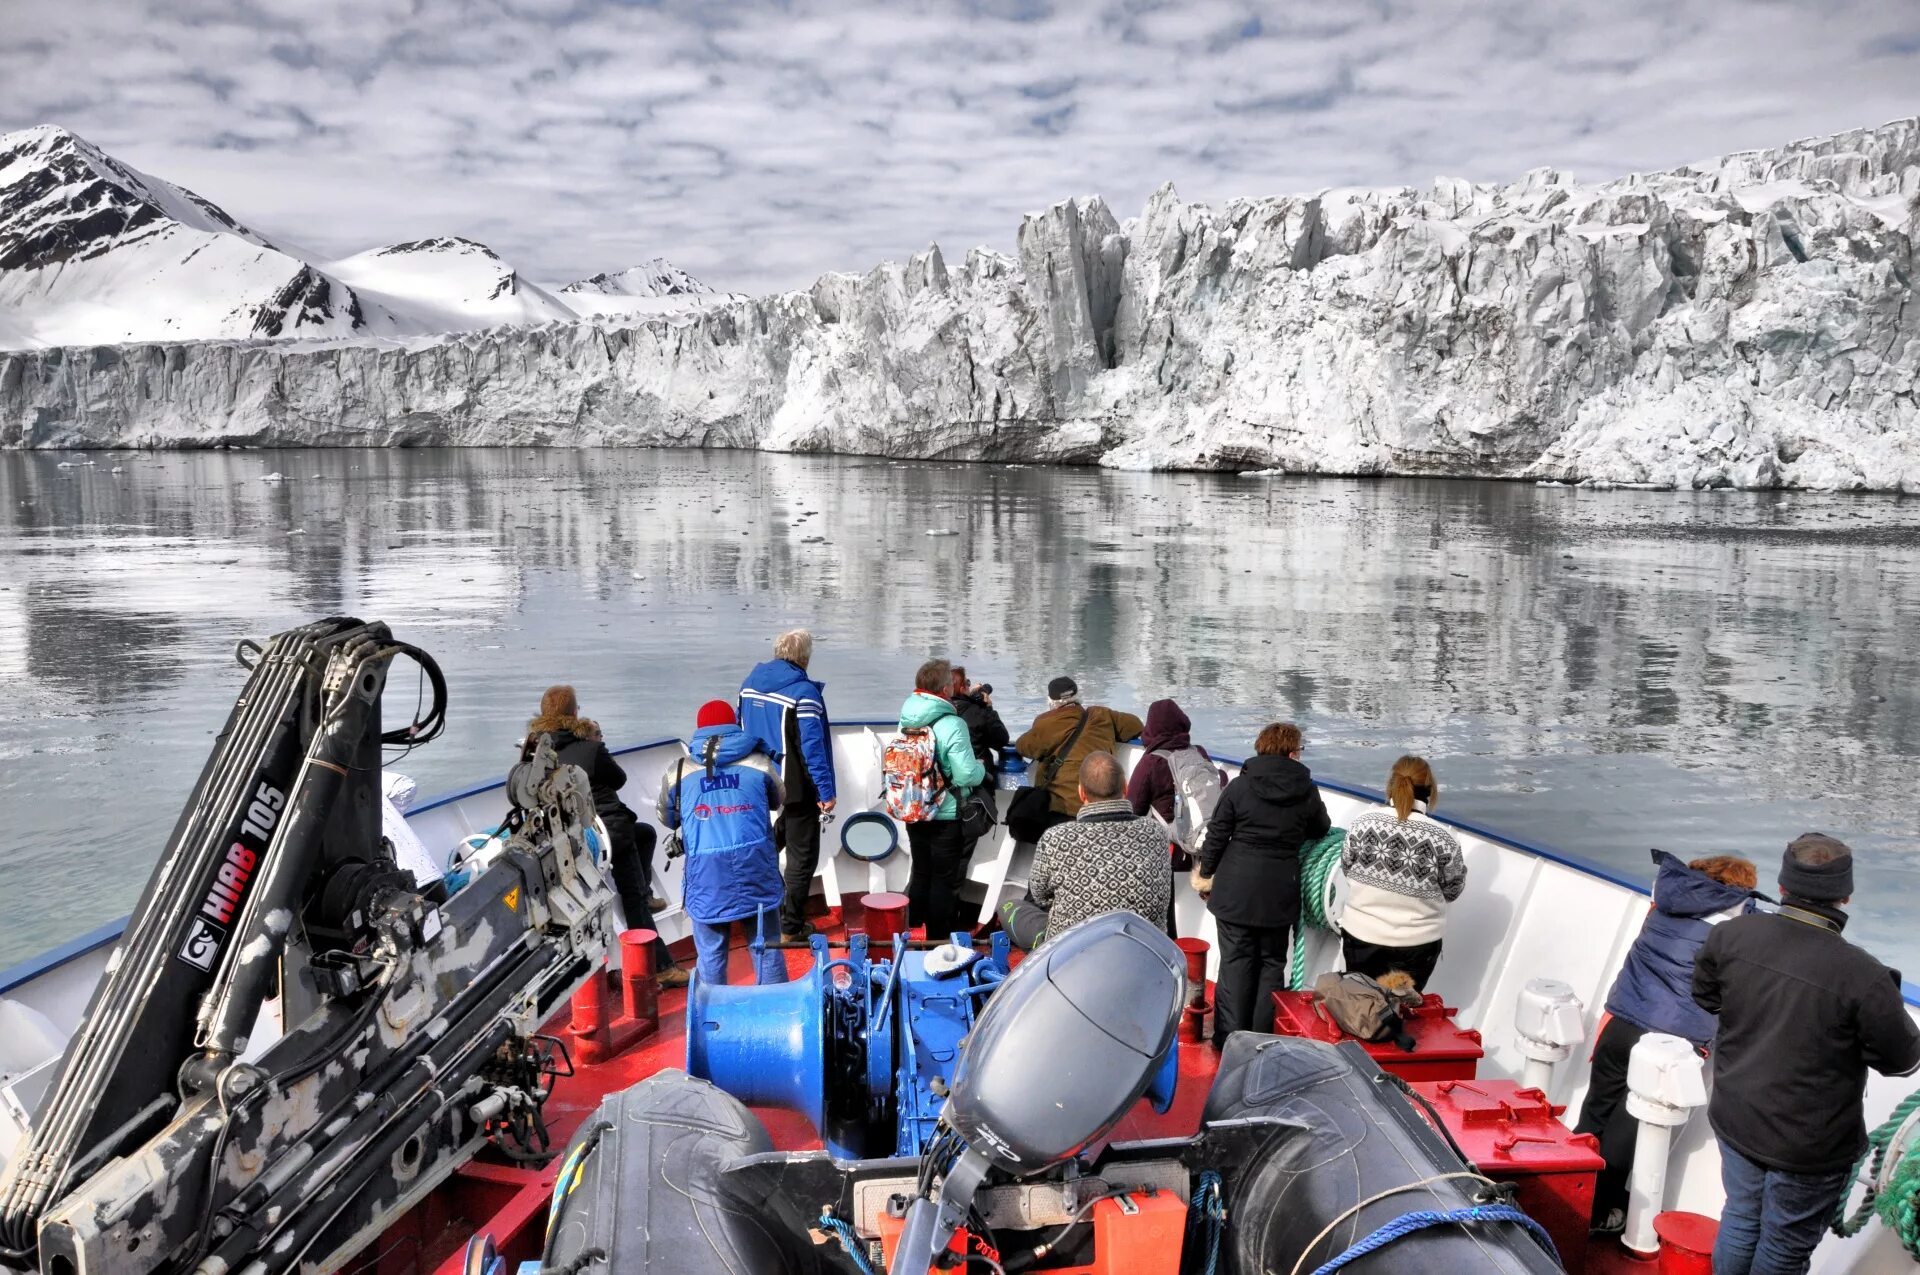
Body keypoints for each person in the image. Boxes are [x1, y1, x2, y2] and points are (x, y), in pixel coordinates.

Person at [1693, 834, 1920, 1275]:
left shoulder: (1731, 936)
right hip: (1807, 1146)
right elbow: (1903, 1061)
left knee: (1740, 1219)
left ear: (1782, 887)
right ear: (1846, 895)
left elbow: (1706, 996)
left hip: (1736, 1116)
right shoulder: (1866, 977)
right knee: (1782, 1247)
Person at [1572, 852, 1757, 1233]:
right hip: (1669, 1042)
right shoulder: (1738, 921)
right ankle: (1597, 1212)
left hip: (1620, 1021)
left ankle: (1564, 1188)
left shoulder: (1666, 898)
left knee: (1595, 1112)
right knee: (1628, 1128)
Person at [523, 686, 685, 988]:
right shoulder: (590, 748)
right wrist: (597, 747)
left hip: (570, 840)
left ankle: (645, 897)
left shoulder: (535, 757)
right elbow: (619, 779)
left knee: (645, 834)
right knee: (633, 896)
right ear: (574, 714)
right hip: (610, 833)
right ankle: (661, 966)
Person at [1193, 723, 1331, 1046]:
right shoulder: (1306, 791)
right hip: (1278, 894)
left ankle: (1228, 1040)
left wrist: (1205, 876)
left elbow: (1216, 837)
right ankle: (1260, 1040)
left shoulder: (1240, 787)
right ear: (1292, 753)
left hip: (1235, 893)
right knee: (1271, 965)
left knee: (1235, 965)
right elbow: (1321, 828)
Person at [655, 700, 788, 987]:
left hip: (706, 873)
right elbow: (779, 799)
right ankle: (776, 1008)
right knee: (766, 946)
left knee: (711, 952)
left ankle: (713, 1013)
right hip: (756, 867)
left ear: (699, 729)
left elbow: (666, 817)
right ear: (735, 726)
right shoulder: (760, 763)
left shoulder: (678, 771)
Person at [999, 752, 1171, 950]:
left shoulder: (1057, 837)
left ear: (1081, 793)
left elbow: (1039, 896)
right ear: (1125, 787)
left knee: (1009, 907)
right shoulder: (1156, 832)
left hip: (1070, 950)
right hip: (1143, 947)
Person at [738, 629, 838, 941]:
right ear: (805, 658)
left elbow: (741, 726)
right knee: (802, 857)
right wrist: (826, 791)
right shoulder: (804, 693)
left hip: (759, 778)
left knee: (773, 838)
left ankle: (761, 897)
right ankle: (791, 926)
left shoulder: (749, 685)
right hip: (796, 787)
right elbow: (812, 747)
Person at [1337, 755, 1467, 991]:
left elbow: (1347, 868)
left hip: (1361, 937)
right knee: (1403, 1010)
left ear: (1391, 785)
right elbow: (1453, 890)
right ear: (1430, 790)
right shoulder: (1444, 838)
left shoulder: (1362, 823)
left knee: (1360, 1008)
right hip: (1416, 945)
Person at [895, 659, 988, 937]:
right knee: (944, 880)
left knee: (921, 872)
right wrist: (981, 767)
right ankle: (937, 939)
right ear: (946, 688)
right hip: (944, 813)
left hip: (913, 807)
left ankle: (911, 931)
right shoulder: (953, 723)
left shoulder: (907, 717)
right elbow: (965, 776)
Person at [1124, 697, 1224, 935]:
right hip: (1201, 850)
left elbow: (1132, 810)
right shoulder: (1198, 752)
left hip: (1169, 855)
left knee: (1163, 919)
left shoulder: (1150, 762)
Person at [1014, 676, 1143, 829]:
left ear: (1050, 701)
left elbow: (1022, 746)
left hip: (1062, 812)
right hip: (1105, 811)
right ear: (1077, 696)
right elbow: (1136, 725)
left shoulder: (1046, 723)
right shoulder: (1102, 715)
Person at [948, 666, 1009, 784]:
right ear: (962, 689)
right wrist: (988, 709)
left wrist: (969, 699)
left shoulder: (940, 711)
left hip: (947, 779)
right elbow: (1001, 739)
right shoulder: (977, 713)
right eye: (967, 682)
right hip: (979, 778)